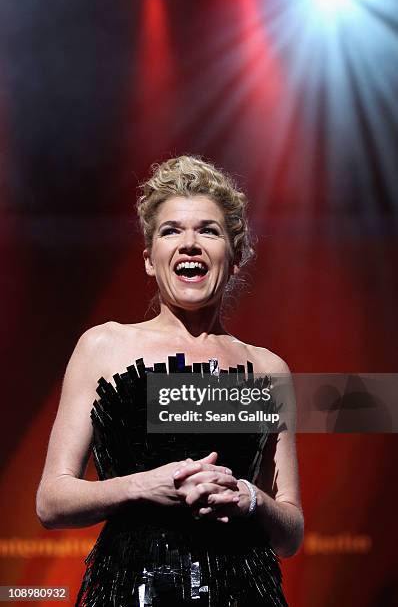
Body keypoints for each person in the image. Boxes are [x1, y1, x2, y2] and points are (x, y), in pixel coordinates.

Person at [36, 155, 304, 606]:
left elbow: (290, 534)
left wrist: (249, 498)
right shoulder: (103, 347)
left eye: (209, 230)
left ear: (235, 260)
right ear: (148, 260)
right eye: (171, 230)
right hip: (131, 590)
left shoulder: (268, 370)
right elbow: (51, 501)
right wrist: (145, 485)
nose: (190, 243)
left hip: (246, 593)